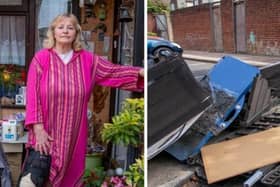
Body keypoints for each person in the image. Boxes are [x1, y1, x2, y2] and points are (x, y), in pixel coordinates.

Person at [19, 13, 144, 187]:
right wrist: (38, 129)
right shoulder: (41, 59)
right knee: (38, 179)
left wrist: (139, 73)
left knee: (68, 179)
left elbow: (112, 72)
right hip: (45, 133)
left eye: (70, 28)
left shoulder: (88, 61)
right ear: (53, 32)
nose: (65, 31)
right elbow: (33, 96)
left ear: (76, 33)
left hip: (73, 136)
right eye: (60, 27)